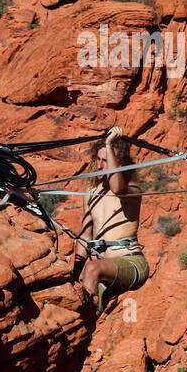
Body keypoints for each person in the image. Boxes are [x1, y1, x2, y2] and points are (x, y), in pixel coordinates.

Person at [77, 126, 149, 312]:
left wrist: (109, 143)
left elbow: (117, 188)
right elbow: (85, 235)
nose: (100, 166)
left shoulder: (132, 189)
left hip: (132, 263)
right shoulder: (91, 192)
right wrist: (73, 274)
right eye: (98, 159)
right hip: (104, 267)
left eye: (106, 161)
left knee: (92, 269)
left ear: (120, 164)